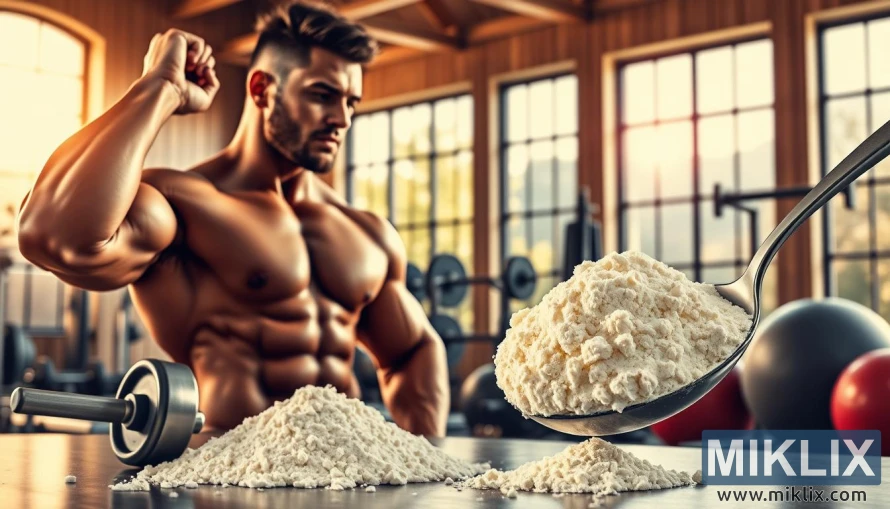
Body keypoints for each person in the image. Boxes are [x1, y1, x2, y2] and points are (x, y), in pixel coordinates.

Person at [16, 1, 450, 436]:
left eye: (351, 102)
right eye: (322, 95)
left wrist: (423, 453)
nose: (342, 119)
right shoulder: (185, 206)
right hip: (231, 463)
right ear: (262, 89)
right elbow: (55, 237)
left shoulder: (367, 232)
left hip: (348, 467)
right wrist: (160, 87)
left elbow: (412, 349)